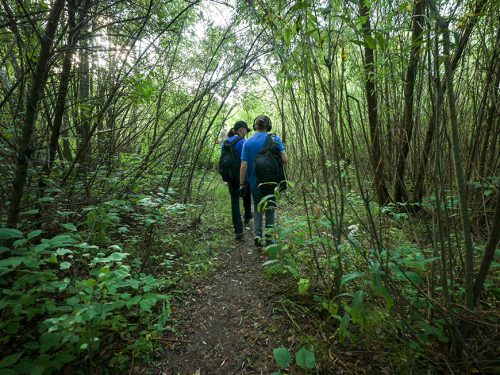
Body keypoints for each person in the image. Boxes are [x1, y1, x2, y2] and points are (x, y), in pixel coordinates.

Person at [239, 115, 288, 247]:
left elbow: (243, 165)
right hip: (271, 182)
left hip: (255, 182)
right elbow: (285, 160)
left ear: (255, 126)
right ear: (268, 126)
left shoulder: (247, 142)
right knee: (270, 208)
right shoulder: (275, 138)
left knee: (257, 207)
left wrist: (242, 183)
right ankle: (269, 238)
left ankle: (258, 235)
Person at [223, 121, 253, 240]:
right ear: (241, 130)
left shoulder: (225, 142)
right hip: (242, 177)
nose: (246, 133)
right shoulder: (243, 143)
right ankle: (247, 216)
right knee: (246, 195)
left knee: (234, 203)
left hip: (230, 178)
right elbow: (247, 162)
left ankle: (239, 232)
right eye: (246, 130)